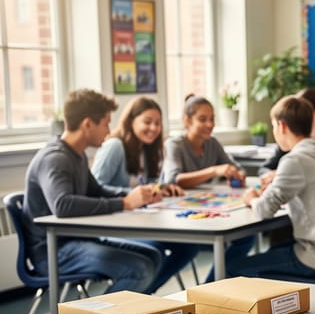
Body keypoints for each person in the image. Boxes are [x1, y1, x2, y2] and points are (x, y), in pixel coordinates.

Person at [22, 89, 163, 293]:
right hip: (54, 251)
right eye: (105, 123)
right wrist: (124, 203)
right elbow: (63, 205)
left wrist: (135, 195)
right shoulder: (55, 158)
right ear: (88, 124)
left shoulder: (76, 156)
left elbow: (96, 190)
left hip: (78, 240)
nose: (109, 130)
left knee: (154, 257)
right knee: (139, 270)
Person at [227, 96, 315, 279]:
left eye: (273, 127)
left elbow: (263, 210)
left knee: (233, 269)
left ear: (282, 126)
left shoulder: (295, 160)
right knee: (274, 249)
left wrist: (251, 198)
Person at [91, 96, 200, 293]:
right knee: (153, 251)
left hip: (139, 224)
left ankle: (145, 292)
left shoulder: (147, 149)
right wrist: (133, 195)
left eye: (157, 123)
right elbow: (94, 188)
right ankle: (131, 297)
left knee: (189, 246)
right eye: (147, 122)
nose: (153, 128)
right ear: (131, 121)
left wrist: (161, 187)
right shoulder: (114, 147)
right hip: (113, 227)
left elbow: (148, 184)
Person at [163, 94, 254, 282]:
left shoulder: (212, 143)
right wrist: (213, 170)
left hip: (205, 214)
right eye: (202, 119)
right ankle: (209, 289)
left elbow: (236, 168)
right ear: (187, 121)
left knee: (246, 237)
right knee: (194, 247)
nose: (210, 124)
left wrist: (238, 174)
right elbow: (173, 179)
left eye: (212, 119)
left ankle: (210, 286)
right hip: (178, 219)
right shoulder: (174, 144)